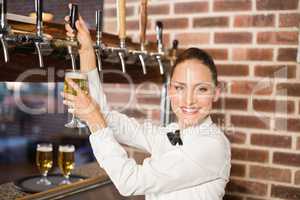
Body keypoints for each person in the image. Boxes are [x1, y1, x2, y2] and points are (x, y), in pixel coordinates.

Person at [62, 15, 231, 200]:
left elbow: (130, 182)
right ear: (170, 90)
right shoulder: (173, 133)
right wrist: (87, 50)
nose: (188, 100)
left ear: (216, 92)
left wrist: (93, 118)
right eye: (180, 88)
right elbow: (107, 118)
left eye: (202, 89)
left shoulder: (211, 146)